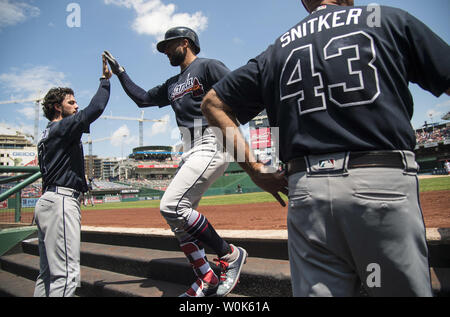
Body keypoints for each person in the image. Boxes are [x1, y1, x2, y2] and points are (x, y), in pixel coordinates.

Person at [202, 0, 450, 296]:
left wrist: (255, 170)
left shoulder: (277, 49)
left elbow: (212, 103)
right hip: (379, 185)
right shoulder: (385, 19)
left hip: (306, 194)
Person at [103, 26, 247, 297]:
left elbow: (239, 89)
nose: (165, 51)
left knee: (170, 205)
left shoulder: (208, 67)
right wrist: (121, 72)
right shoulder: (172, 84)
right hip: (189, 148)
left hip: (212, 140)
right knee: (177, 220)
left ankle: (230, 254)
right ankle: (206, 277)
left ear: (186, 42)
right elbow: (142, 99)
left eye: (168, 45)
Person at [34, 56, 112, 296]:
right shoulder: (62, 127)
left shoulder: (47, 134)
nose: (76, 106)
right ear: (58, 107)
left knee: (46, 274)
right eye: (71, 102)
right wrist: (105, 81)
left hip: (46, 202)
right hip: (61, 202)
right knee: (66, 275)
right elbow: (95, 109)